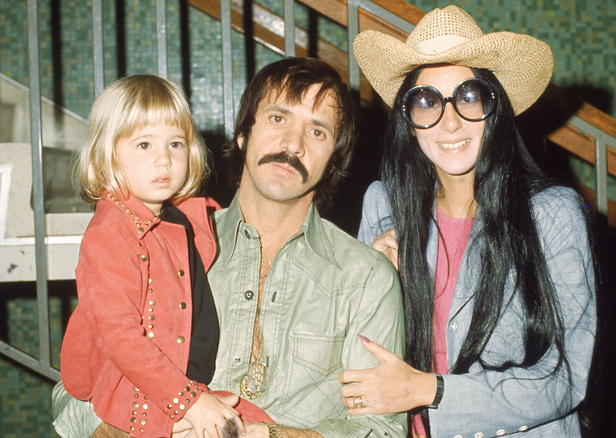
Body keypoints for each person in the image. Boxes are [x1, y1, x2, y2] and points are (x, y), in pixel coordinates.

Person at [53, 58, 406, 438]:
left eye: (317, 132)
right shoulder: (162, 241)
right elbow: (74, 396)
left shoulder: (367, 277)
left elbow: (381, 429)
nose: (293, 144)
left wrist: (269, 436)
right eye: (277, 119)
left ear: (334, 158)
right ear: (243, 134)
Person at [338, 6, 597, 438]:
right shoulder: (383, 204)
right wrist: (368, 279)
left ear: (494, 106)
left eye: (469, 96)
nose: (450, 120)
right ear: (409, 121)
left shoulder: (553, 213)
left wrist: (429, 390)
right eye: (426, 102)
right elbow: (357, 358)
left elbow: (565, 378)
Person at [56, 75, 271, 438]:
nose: (164, 160)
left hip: (184, 383)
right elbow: (121, 338)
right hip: (139, 393)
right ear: (106, 155)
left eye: (175, 144)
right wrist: (189, 401)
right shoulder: (110, 232)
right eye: (143, 145)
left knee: (263, 426)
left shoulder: (178, 217)